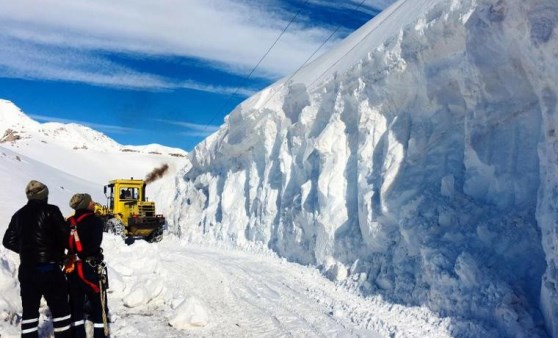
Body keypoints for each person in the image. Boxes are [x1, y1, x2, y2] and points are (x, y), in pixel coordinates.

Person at [2, 180, 71, 338]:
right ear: (44, 195)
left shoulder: (18, 215)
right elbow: (65, 235)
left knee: (29, 315)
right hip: (50, 269)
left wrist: (27, 250)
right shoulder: (51, 211)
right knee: (61, 313)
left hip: (27, 270)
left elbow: (7, 241)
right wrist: (56, 251)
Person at [65, 193, 110, 338]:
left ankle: (78, 335)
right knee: (98, 306)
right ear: (85, 204)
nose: (93, 203)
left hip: (72, 268)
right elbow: (95, 244)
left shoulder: (69, 222)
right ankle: (99, 335)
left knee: (75, 305)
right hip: (90, 269)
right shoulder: (95, 221)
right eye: (91, 201)